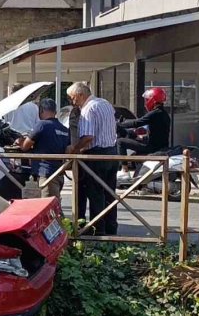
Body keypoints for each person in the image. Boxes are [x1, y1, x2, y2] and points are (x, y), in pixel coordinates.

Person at [66, 82, 119, 235]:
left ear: (80, 95)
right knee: (110, 192)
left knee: (95, 193)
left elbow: (88, 136)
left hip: (96, 155)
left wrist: (75, 149)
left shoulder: (88, 109)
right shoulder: (105, 103)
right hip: (112, 152)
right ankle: (111, 226)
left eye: (73, 98)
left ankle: (97, 229)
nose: (73, 102)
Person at [19, 98, 69, 199]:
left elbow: (25, 146)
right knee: (53, 203)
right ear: (55, 112)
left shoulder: (42, 125)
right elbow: (68, 149)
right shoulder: (64, 130)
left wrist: (20, 141)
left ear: (41, 110)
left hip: (45, 174)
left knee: (49, 206)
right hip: (59, 174)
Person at [117, 87, 171, 164]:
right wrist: (143, 137)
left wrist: (120, 124)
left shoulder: (155, 113)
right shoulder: (164, 114)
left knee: (120, 142)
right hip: (159, 146)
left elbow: (137, 123)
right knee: (134, 137)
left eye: (147, 99)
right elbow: (158, 133)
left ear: (153, 100)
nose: (146, 102)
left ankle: (124, 170)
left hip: (152, 147)